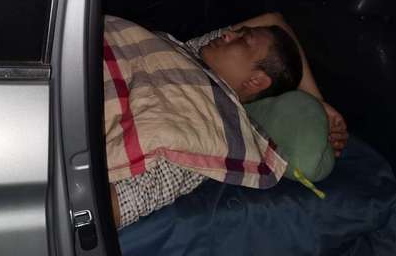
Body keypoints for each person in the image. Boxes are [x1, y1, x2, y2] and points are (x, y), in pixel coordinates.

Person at [109, 12, 348, 227]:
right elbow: (274, 19)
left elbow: (120, 203)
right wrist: (319, 102)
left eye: (242, 40)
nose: (227, 34)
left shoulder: (211, 132)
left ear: (255, 81)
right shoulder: (191, 50)